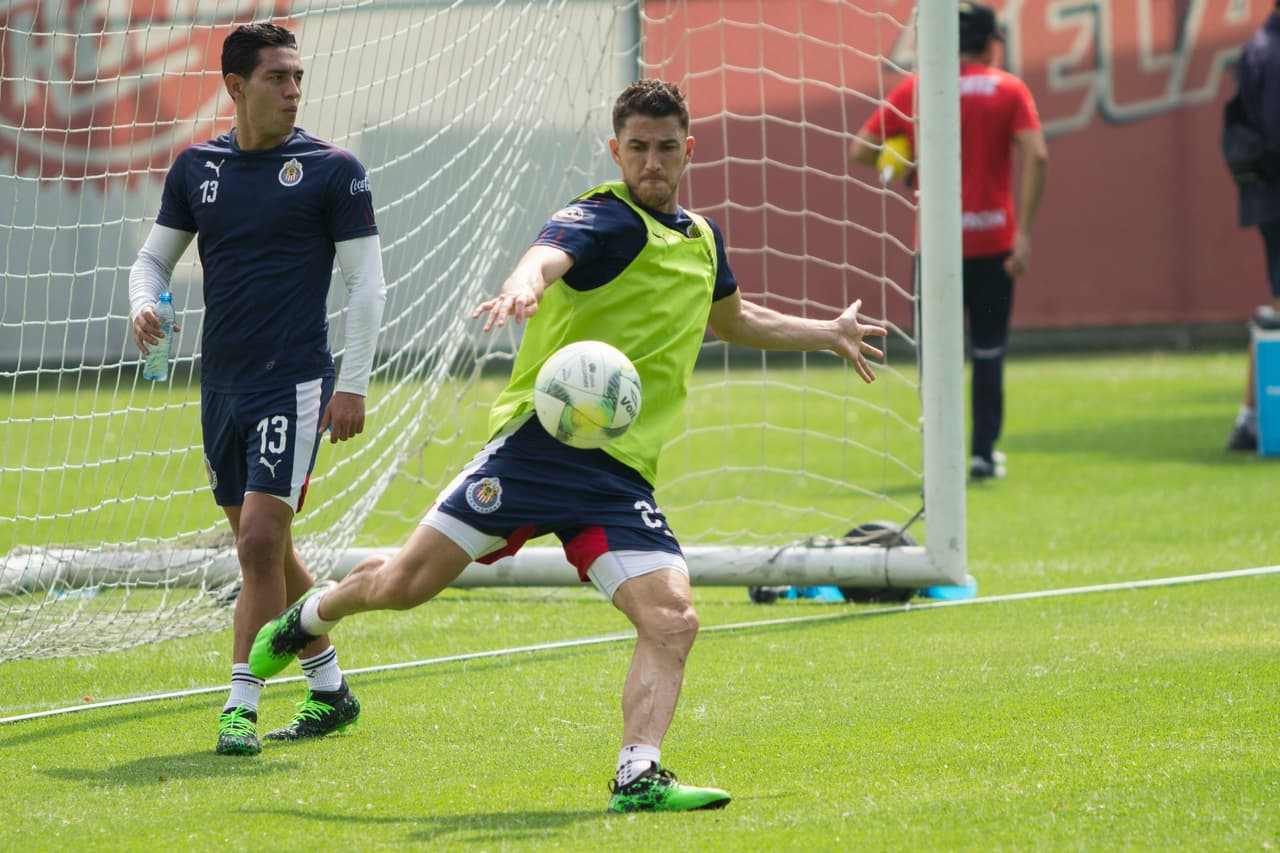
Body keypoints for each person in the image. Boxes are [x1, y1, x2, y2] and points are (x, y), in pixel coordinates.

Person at [248, 79, 888, 812]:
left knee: (673, 616)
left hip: (616, 475)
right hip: (535, 451)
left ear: (689, 149)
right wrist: (524, 286)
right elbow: (546, 256)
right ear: (616, 150)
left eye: (666, 147)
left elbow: (733, 320)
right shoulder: (600, 218)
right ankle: (307, 618)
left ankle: (638, 773)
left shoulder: (703, 238)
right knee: (403, 586)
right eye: (638, 148)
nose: (652, 161)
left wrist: (826, 334)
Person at [128, 22, 386, 756]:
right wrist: (144, 303)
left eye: (298, 76)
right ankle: (331, 690)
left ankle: (239, 703)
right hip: (224, 385)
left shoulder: (334, 170)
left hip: (296, 382)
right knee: (268, 552)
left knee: (261, 541)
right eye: (278, 77)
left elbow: (366, 285)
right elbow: (151, 261)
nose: (293, 90)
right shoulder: (195, 168)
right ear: (236, 88)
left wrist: (353, 384)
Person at [850, 1, 1048, 479]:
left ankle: (938, 455)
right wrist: (1023, 232)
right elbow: (1037, 156)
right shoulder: (1009, 89)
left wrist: (904, 166)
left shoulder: (919, 86)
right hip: (992, 242)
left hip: (935, 246)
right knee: (987, 350)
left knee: (937, 357)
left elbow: (861, 150)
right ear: (988, 43)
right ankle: (982, 453)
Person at [1226, 2, 1280, 451]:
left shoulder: (1257, 47)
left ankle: (1249, 417)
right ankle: (1251, 419)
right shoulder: (1272, 50)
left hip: (1267, 196)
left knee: (1279, 304)